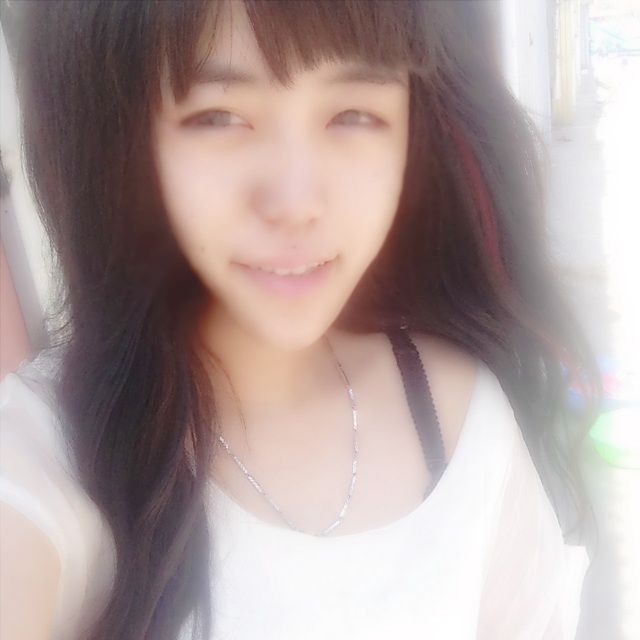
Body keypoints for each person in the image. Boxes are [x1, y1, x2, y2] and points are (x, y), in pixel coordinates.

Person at [0, 1, 600, 639]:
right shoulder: (47, 452)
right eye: (218, 116)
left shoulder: (464, 421)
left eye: (353, 114)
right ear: (126, 140)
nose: (296, 202)